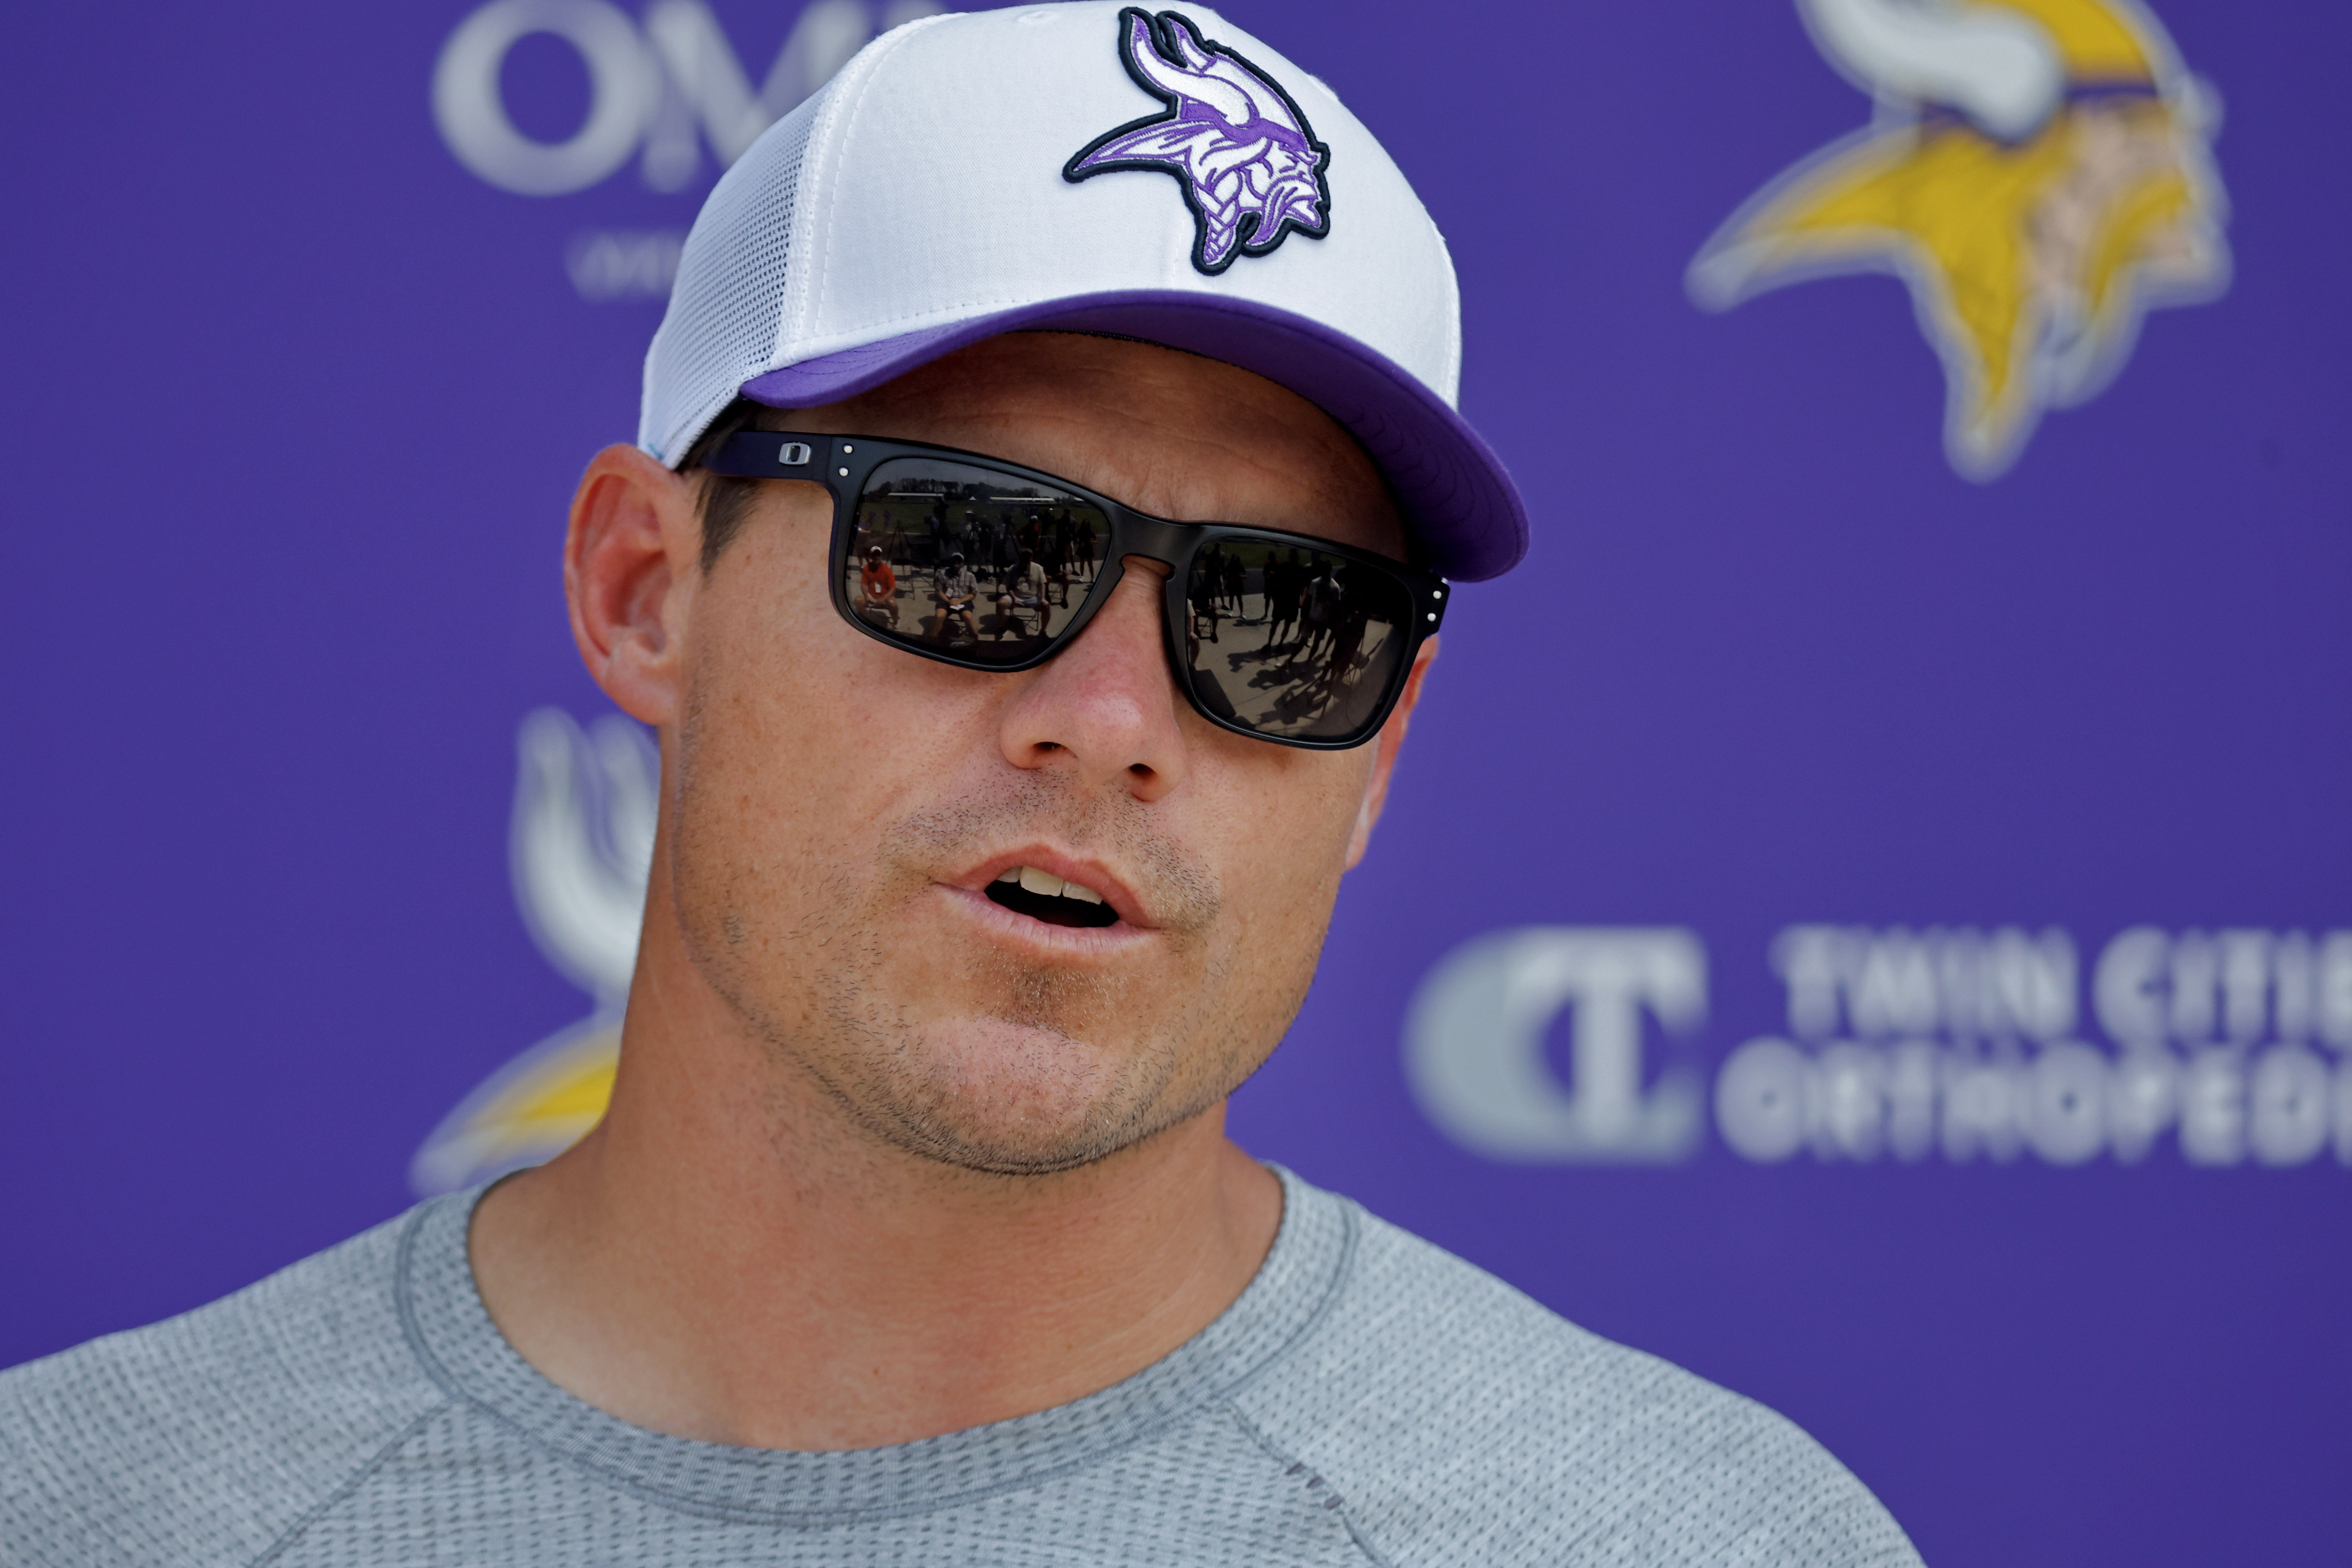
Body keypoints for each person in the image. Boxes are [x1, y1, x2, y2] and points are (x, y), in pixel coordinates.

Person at [0, 8, 1919, 1565]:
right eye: (973, 546)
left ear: (1381, 750)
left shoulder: (1696, 1536)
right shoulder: (88, 1508)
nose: (1111, 716)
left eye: (1285, 615)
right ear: (642, 589)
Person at [995, 546, 1048, 639]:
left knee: (1047, 606)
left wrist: (1043, 598)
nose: (1026, 558)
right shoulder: (1013, 568)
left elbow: (1042, 584)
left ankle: (1043, 631)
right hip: (1016, 596)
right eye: (1024, 556)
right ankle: (1002, 627)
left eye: (1029, 556)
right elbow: (1009, 587)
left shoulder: (1038, 568)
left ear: (1032, 558)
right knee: (1000, 604)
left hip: (1033, 597)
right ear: (1020, 557)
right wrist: (1014, 598)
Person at [933, 549, 979, 644]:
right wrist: (948, 601)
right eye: (954, 560)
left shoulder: (970, 576)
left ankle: (975, 640)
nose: (956, 562)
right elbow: (939, 591)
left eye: (959, 561)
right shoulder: (942, 574)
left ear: (963, 563)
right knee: (939, 616)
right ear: (950, 561)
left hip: (963, 601)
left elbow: (974, 593)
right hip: (946, 600)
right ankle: (931, 640)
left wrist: (960, 601)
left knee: (968, 617)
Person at [858, 543, 898, 626]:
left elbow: (893, 589)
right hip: (871, 597)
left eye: (878, 555)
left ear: (881, 556)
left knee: (893, 604)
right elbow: (864, 585)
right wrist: (867, 596)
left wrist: (883, 599)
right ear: (871, 557)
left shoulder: (887, 571)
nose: (877, 557)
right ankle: (867, 621)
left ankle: (895, 622)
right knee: (858, 600)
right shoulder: (867, 568)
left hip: (884, 597)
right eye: (874, 555)